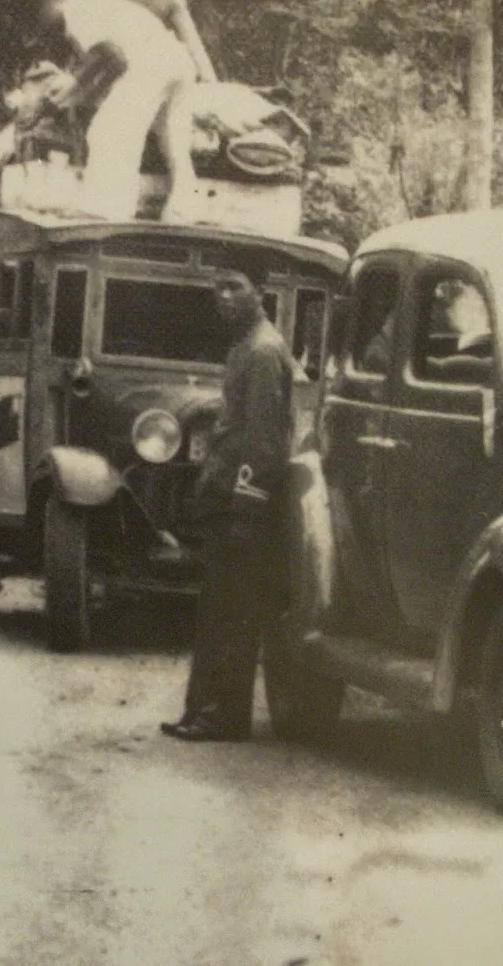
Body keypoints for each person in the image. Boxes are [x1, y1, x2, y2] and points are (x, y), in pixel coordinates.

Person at [162, 253, 298, 742]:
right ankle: (202, 710)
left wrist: (247, 502)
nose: (224, 296)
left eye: (235, 287)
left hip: (245, 507)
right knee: (216, 610)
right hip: (226, 501)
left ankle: (222, 716)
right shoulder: (245, 347)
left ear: (260, 293)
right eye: (218, 287)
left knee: (233, 614)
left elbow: (265, 441)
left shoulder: (263, 351)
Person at [41, 0, 198, 218]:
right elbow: (115, 67)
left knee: (108, 132)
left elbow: (115, 57)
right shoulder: (94, 3)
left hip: (150, 63)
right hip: (178, 61)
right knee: (173, 142)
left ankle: (105, 209)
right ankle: (183, 211)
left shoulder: (75, 13)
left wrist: (73, 81)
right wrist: (81, 91)